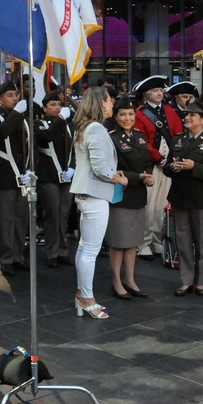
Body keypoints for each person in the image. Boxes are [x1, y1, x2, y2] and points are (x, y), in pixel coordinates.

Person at [70, 87, 128, 319]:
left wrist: (113, 173)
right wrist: (120, 178)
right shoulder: (95, 128)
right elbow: (101, 169)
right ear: (101, 104)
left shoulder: (86, 127)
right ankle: (86, 298)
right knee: (90, 250)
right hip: (94, 196)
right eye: (110, 101)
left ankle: (82, 295)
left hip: (88, 194)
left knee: (85, 247)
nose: (112, 104)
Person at [164, 99, 203, 297]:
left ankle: (200, 282)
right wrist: (171, 168)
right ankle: (185, 280)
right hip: (180, 198)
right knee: (182, 241)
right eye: (186, 114)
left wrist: (194, 167)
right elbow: (167, 169)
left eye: (192, 115)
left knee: (201, 242)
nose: (187, 118)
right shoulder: (178, 140)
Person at [107, 95, 154, 300]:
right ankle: (117, 281)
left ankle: (130, 279)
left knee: (133, 241)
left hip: (138, 193)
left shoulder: (139, 136)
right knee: (119, 241)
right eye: (123, 114)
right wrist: (139, 177)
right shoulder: (111, 137)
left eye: (130, 114)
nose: (127, 118)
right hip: (121, 194)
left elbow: (147, 160)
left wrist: (149, 174)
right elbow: (112, 170)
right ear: (116, 117)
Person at [132, 75, 183, 261]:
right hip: (150, 164)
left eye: (161, 90)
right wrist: (158, 158)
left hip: (168, 164)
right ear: (146, 94)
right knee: (148, 206)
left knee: (162, 206)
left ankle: (156, 241)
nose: (159, 93)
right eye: (155, 91)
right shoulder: (139, 114)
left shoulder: (170, 111)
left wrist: (173, 158)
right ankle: (143, 243)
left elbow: (178, 136)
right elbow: (141, 142)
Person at [0, 80, 30, 278]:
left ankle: (18, 256)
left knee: (21, 220)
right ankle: (6, 259)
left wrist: (29, 169)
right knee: (5, 221)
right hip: (3, 179)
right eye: (10, 95)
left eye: (16, 94)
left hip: (21, 178)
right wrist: (17, 113)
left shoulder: (21, 119)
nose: (15, 98)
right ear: (0, 100)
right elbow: (1, 133)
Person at [35, 90, 75, 269]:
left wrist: (73, 167)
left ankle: (63, 251)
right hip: (48, 176)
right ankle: (51, 252)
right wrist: (61, 120)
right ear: (44, 108)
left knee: (64, 214)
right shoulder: (39, 123)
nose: (57, 108)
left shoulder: (68, 124)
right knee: (52, 214)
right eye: (53, 105)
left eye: (59, 104)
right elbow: (45, 137)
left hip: (66, 175)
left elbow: (75, 147)